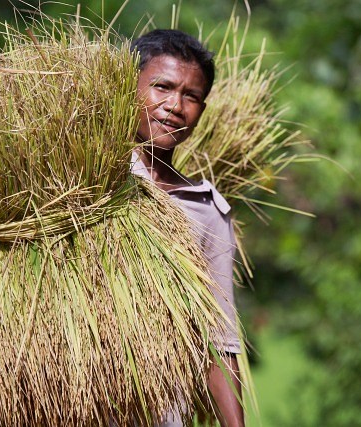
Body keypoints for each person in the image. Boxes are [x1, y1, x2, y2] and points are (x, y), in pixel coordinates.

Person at [130, 29, 245, 427]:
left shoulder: (205, 209)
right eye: (161, 87)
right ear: (127, 88)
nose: (174, 106)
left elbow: (219, 339)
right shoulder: (85, 182)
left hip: (159, 412)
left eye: (191, 96)